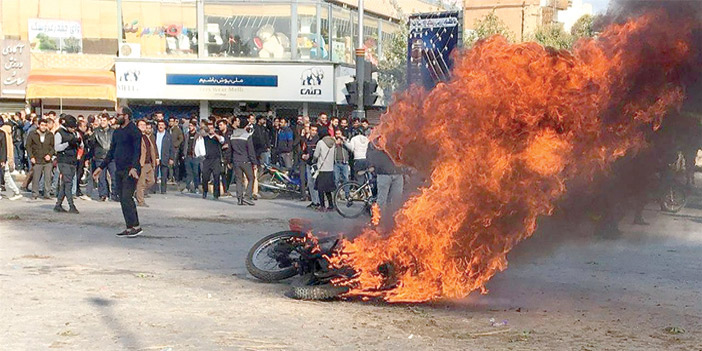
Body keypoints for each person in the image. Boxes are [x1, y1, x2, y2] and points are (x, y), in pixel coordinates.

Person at [93, 107, 143, 237]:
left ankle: (136, 226)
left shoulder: (134, 131)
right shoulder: (117, 132)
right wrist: (100, 168)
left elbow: (138, 151)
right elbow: (111, 152)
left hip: (131, 170)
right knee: (121, 198)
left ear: (126, 116)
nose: (116, 117)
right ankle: (129, 226)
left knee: (127, 197)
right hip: (119, 168)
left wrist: (134, 167)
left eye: (118, 115)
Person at [53, 115, 82, 214]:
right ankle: (71, 205)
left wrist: (79, 141)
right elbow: (56, 148)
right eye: (72, 127)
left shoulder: (75, 133)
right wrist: (68, 144)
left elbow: (81, 145)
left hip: (72, 160)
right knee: (68, 183)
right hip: (63, 161)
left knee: (65, 183)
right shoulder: (59, 133)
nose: (73, 129)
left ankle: (58, 205)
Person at [367, 143, 404, 215]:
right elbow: (370, 154)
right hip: (383, 174)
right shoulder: (376, 140)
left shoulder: (398, 138)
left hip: (398, 174)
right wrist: (373, 166)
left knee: (396, 200)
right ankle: (379, 220)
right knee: (382, 200)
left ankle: (392, 221)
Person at [229, 118, 256, 206]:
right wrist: (254, 162)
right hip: (245, 160)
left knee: (238, 180)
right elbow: (251, 150)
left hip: (236, 160)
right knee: (251, 178)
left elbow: (230, 150)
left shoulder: (233, 135)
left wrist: (229, 161)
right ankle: (247, 197)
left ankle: (239, 199)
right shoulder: (247, 135)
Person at [25, 118, 55, 200]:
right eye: (42, 125)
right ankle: (35, 194)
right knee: (36, 177)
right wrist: (31, 157)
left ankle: (47, 194)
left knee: (48, 177)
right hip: (36, 159)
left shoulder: (50, 134)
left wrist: (50, 154)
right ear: (38, 125)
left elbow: (53, 147)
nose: (43, 127)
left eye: (45, 125)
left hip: (47, 160)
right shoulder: (32, 134)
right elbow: (28, 146)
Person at [90, 114, 116, 201]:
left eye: (104, 120)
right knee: (101, 177)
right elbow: (91, 144)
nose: (102, 122)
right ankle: (103, 194)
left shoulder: (113, 131)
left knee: (114, 176)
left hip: (111, 157)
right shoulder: (96, 131)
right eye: (101, 120)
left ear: (108, 121)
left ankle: (115, 194)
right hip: (100, 156)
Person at [135, 120, 157, 207]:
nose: (143, 126)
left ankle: (138, 192)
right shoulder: (136, 136)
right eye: (141, 125)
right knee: (141, 183)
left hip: (149, 163)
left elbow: (152, 150)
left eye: (144, 124)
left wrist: (154, 161)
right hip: (141, 163)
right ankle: (140, 201)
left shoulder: (147, 137)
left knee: (151, 181)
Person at [313, 129, 336, 212]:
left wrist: (313, 160)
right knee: (328, 189)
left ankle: (322, 206)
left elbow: (316, 154)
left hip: (321, 169)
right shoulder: (333, 143)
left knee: (320, 189)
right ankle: (331, 205)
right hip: (330, 168)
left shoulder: (320, 143)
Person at [201, 122, 225, 200]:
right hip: (207, 159)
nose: (210, 130)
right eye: (209, 128)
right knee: (205, 176)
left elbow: (222, 141)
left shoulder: (218, 137)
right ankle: (205, 191)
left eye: (212, 128)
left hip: (216, 159)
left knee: (216, 176)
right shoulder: (204, 138)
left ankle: (216, 194)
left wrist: (215, 134)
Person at [0, 117, 22, 200]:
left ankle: (16, 191)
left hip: (2, 157)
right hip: (5, 157)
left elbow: (3, 147)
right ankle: (16, 191)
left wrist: (3, 159)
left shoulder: (2, 133)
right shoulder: (6, 133)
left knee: (6, 175)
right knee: (6, 175)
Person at [154, 120, 175, 194]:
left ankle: (163, 190)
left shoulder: (168, 135)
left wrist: (171, 158)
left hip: (165, 157)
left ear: (165, 126)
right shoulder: (154, 134)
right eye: (159, 124)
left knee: (164, 175)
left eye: (162, 125)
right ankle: (154, 189)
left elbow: (172, 148)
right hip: (155, 157)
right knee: (154, 174)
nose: (160, 126)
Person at [182, 120, 203, 193]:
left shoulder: (198, 135)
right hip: (187, 156)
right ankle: (187, 187)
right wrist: (183, 154)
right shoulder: (186, 135)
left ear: (194, 127)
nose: (190, 127)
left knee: (196, 173)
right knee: (188, 173)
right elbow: (184, 145)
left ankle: (196, 187)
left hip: (195, 156)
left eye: (191, 126)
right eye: (189, 126)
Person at [303, 125, 320, 208]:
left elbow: (317, 152)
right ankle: (313, 201)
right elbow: (304, 150)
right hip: (309, 164)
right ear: (309, 130)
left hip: (316, 164)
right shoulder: (306, 140)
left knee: (316, 182)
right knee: (310, 183)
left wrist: (309, 155)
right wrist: (303, 155)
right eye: (312, 130)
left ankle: (318, 202)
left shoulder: (317, 140)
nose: (314, 132)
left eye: (315, 130)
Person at [168, 116, 184, 182]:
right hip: (168, 148)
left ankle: (176, 178)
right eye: (170, 121)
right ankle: (170, 177)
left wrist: (176, 144)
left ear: (174, 122)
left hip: (175, 149)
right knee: (169, 164)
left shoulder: (178, 130)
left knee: (175, 164)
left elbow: (181, 138)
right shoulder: (168, 129)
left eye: (172, 121)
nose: (171, 123)